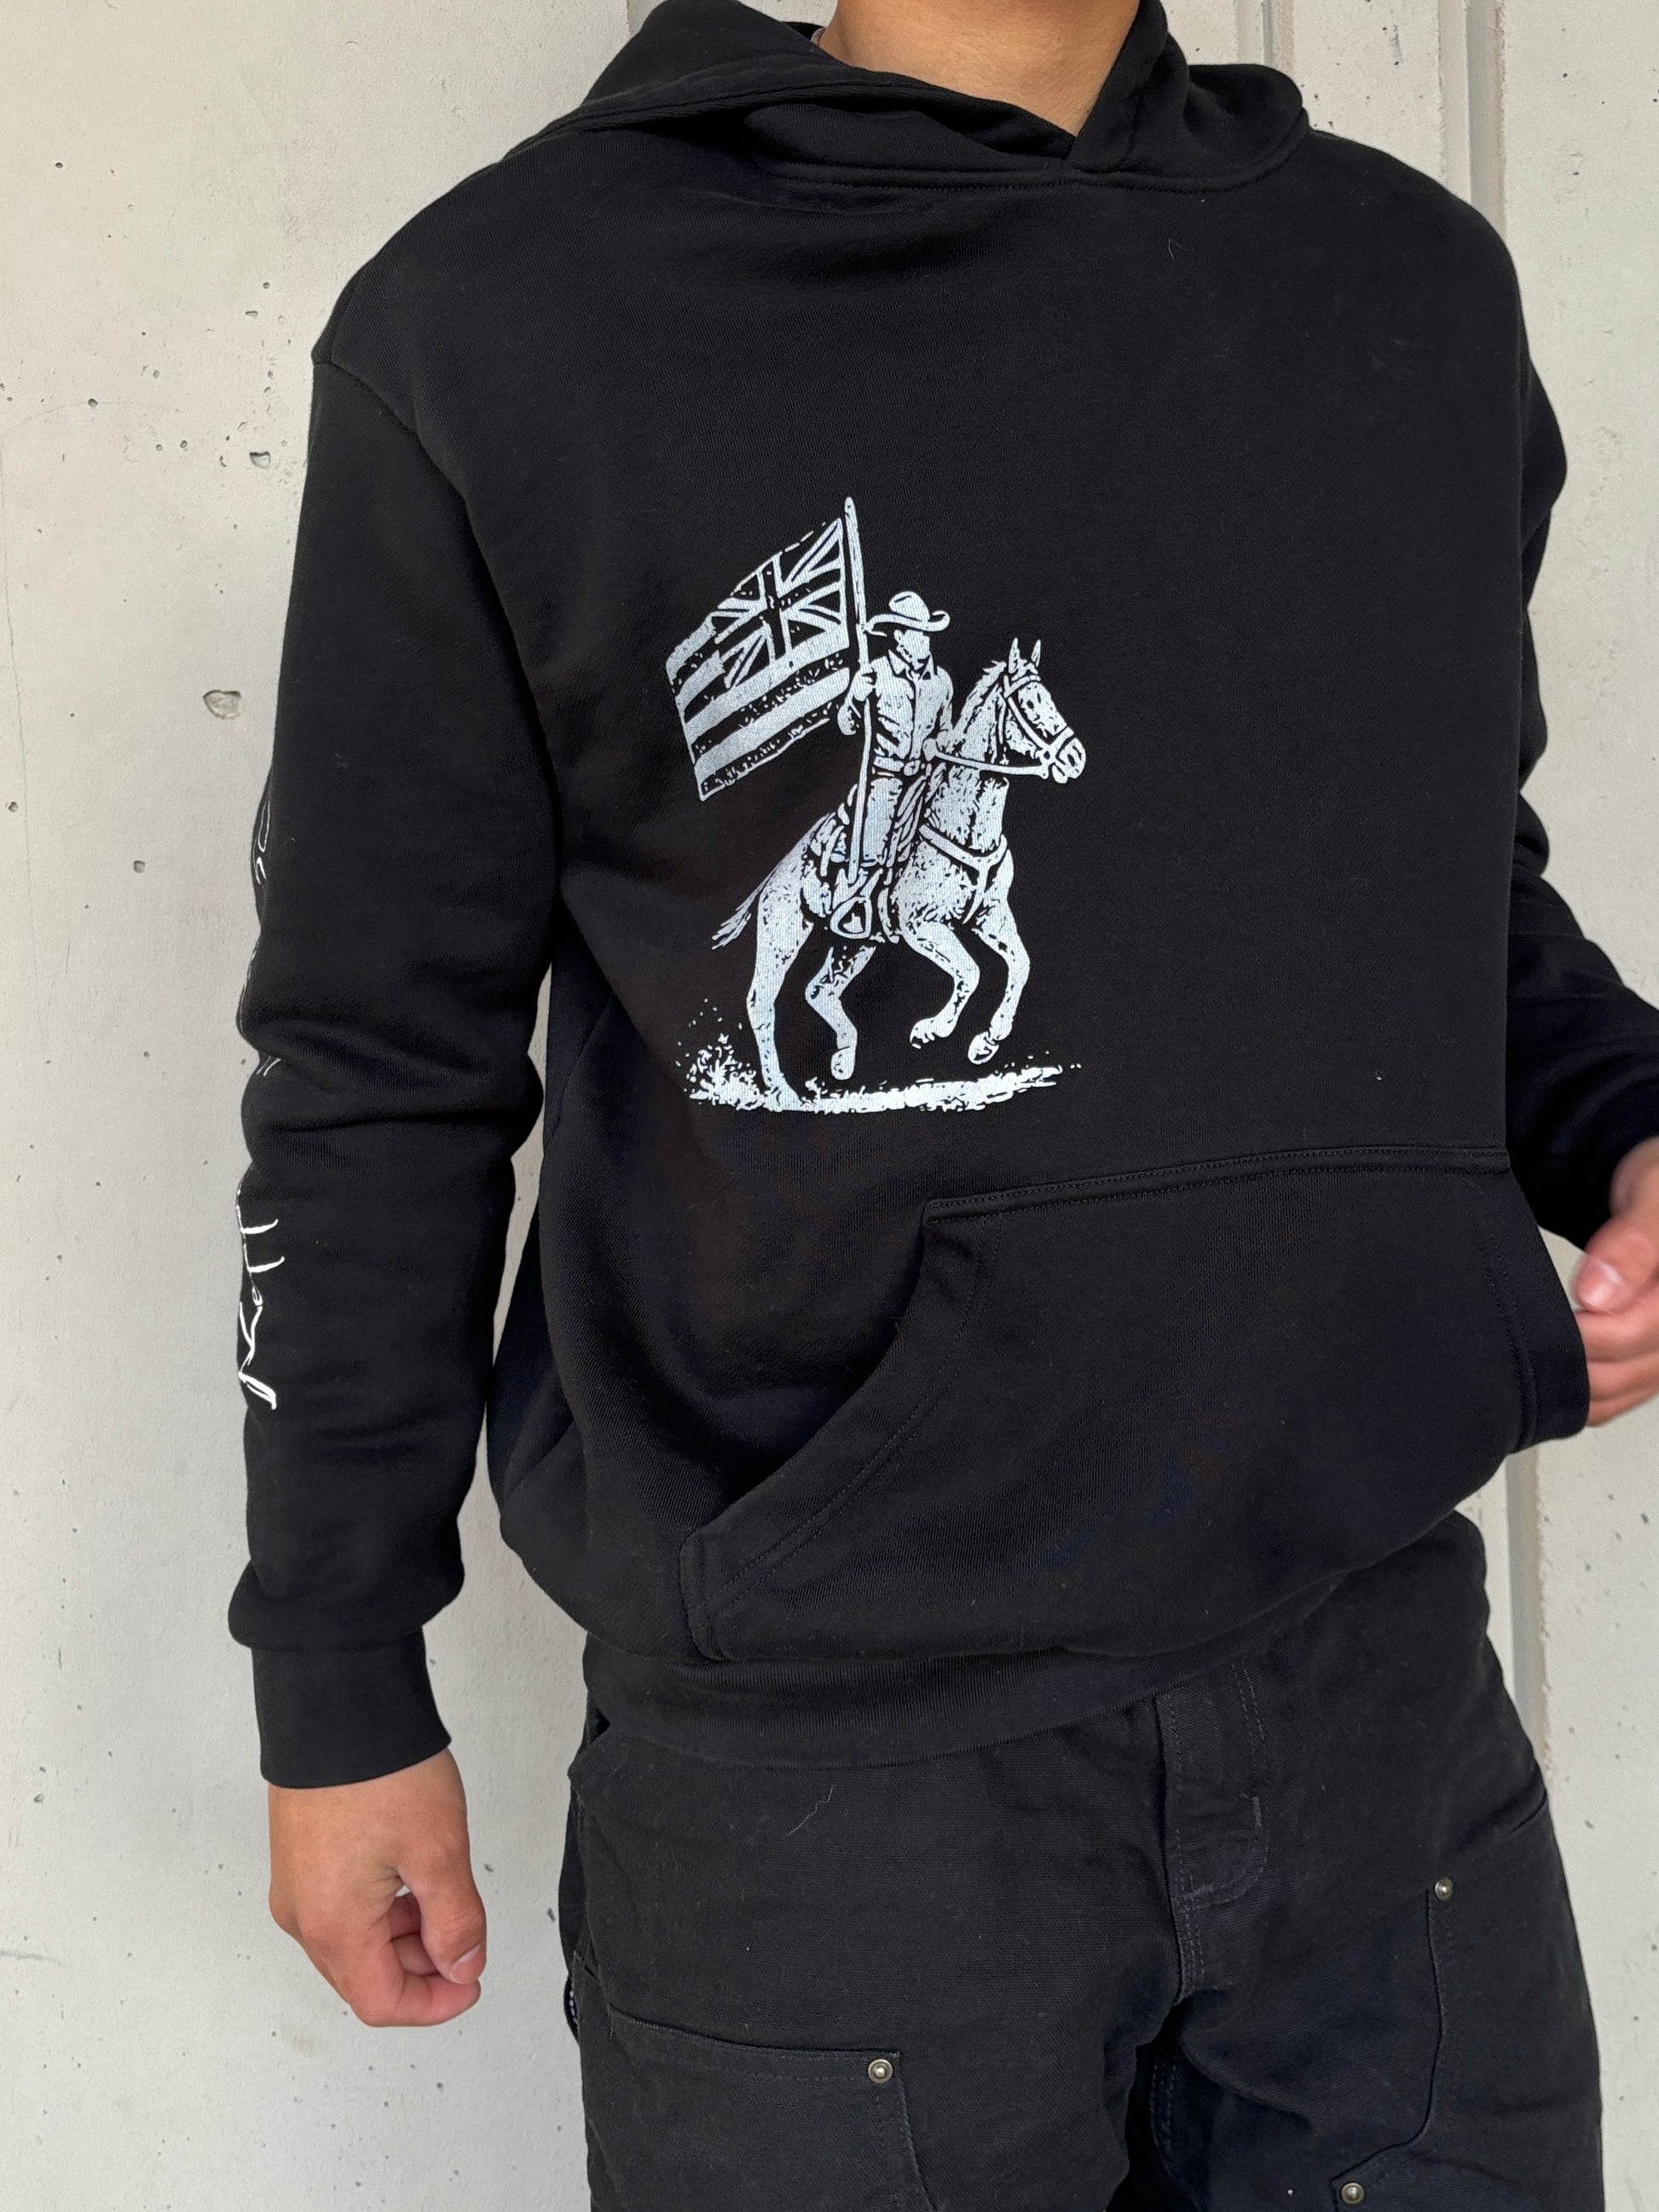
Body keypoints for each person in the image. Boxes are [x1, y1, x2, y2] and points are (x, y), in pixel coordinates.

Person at [240, 1, 1659, 2203]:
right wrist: (339, 1672)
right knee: (897, 854)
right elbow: (376, 1062)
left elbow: (1446, 885)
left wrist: (1623, 1115)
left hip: (1386, 1732)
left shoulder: (1412, 293)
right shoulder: (508, 322)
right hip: (829, 1815)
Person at [830, 589, 955, 938]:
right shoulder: (874, 674)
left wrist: (938, 744)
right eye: (918, 633)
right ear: (899, 636)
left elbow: (947, 729)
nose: (926, 640)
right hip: (885, 778)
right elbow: (846, 726)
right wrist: (855, 697)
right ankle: (855, 906)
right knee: (874, 846)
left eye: (928, 633)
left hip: (924, 779)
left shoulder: (941, 681)